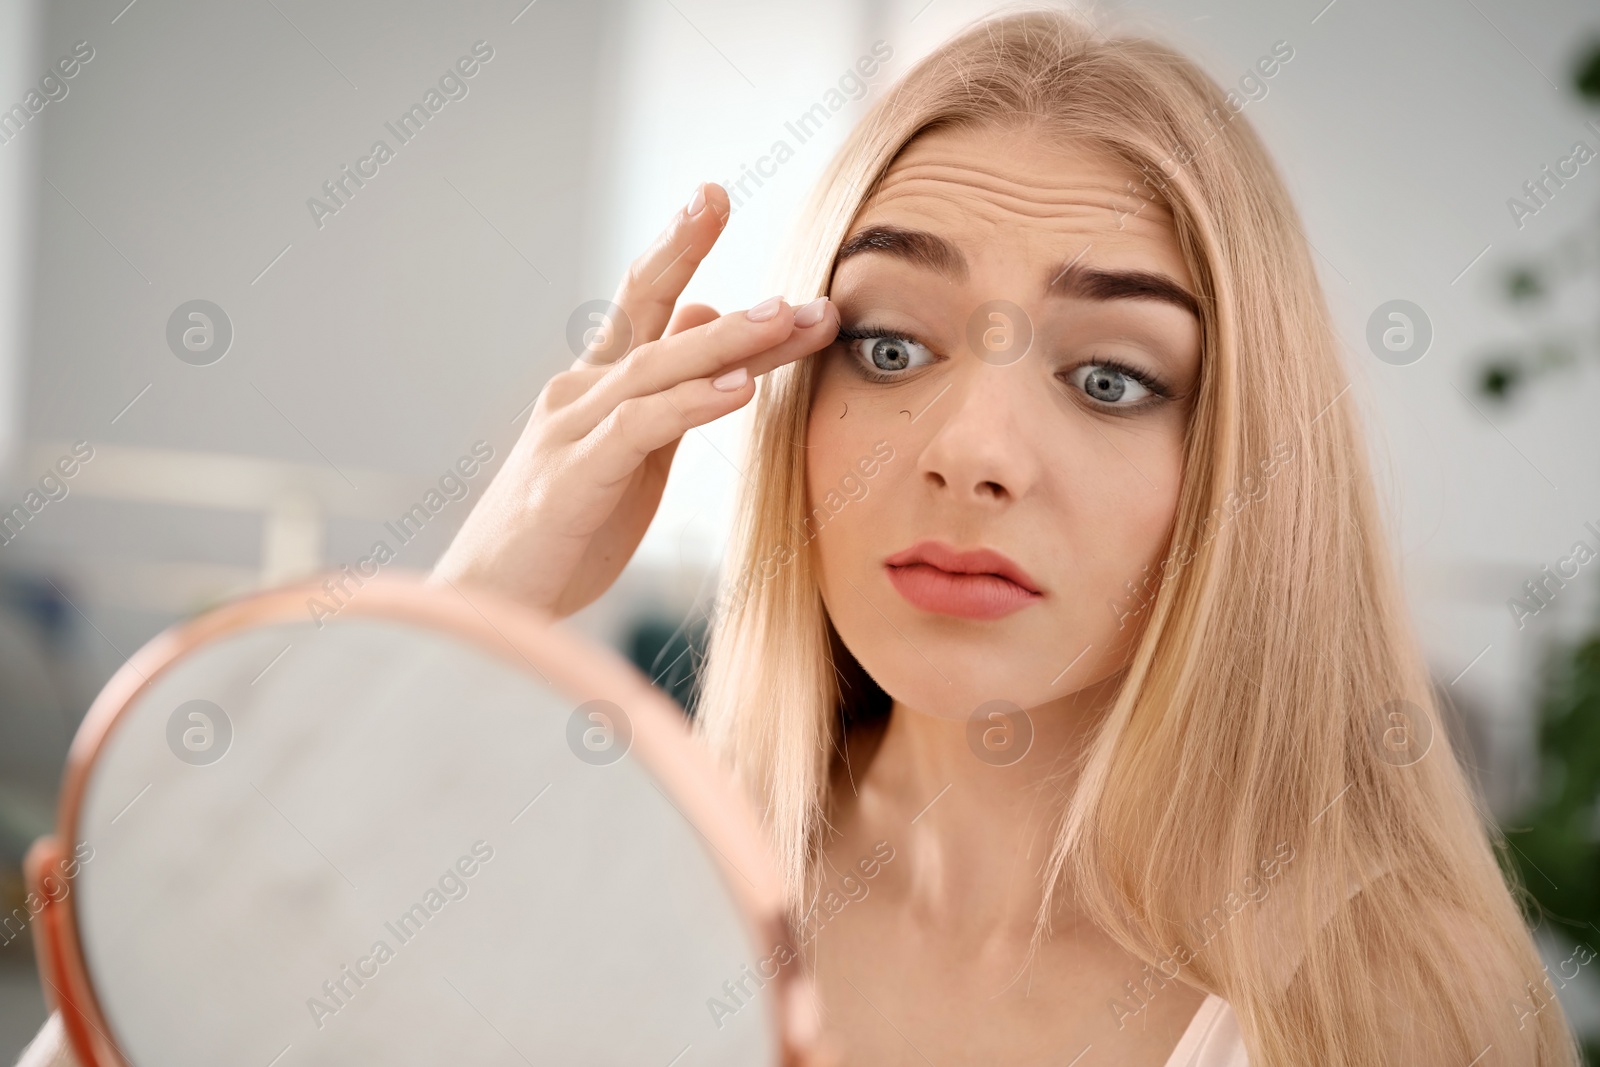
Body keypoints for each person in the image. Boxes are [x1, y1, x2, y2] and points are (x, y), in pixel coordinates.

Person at [15, 6, 1580, 1066]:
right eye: (888, 348)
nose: (970, 453)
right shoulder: (583, 888)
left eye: (1111, 378)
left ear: (1244, 471)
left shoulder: (1391, 1006)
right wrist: (471, 609)